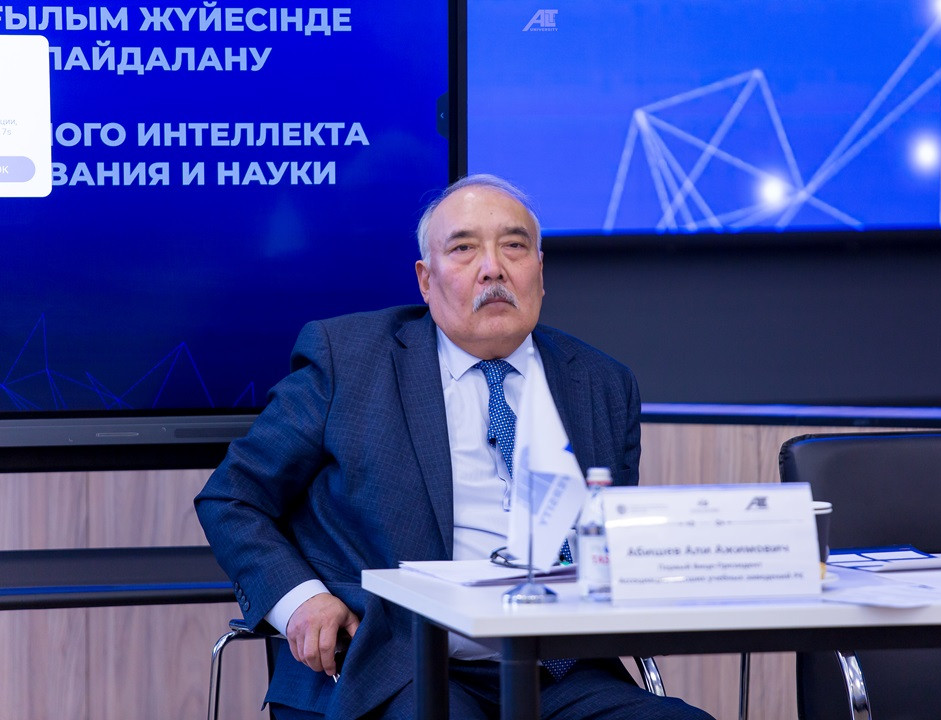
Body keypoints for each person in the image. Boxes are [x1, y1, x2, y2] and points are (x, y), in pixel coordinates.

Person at [195, 174, 713, 720]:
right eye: (464, 248)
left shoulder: (602, 382)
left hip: (562, 674)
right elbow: (233, 498)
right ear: (426, 279)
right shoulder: (347, 359)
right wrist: (301, 601)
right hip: (395, 667)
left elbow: (608, 546)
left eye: (514, 246)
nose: (493, 268)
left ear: (540, 272)